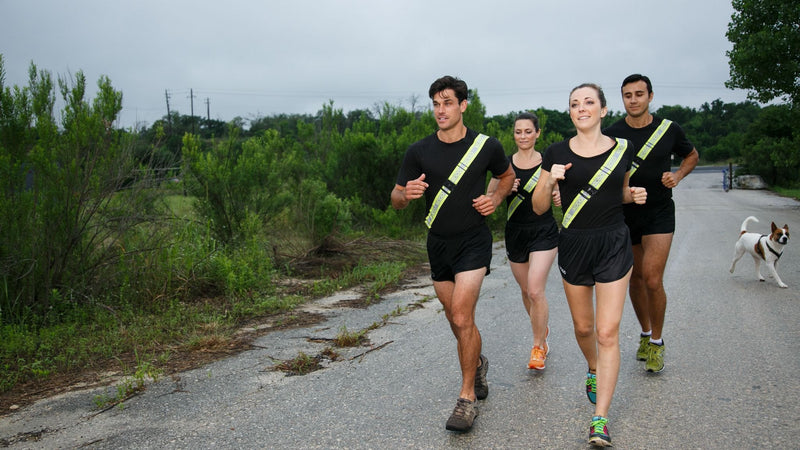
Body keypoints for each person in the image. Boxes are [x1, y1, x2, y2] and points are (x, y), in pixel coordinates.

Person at [391, 75, 515, 432]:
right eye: (435, 103)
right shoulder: (419, 151)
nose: (440, 110)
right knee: (454, 317)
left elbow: (506, 176)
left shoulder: (486, 146)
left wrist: (494, 198)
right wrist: (406, 194)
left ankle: (466, 399)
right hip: (439, 244)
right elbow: (396, 198)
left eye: (447, 102)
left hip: (474, 241)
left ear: (463, 105)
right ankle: (477, 365)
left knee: (462, 315)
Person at [532, 83, 647, 447]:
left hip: (614, 241)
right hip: (574, 243)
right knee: (584, 329)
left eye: (588, 102)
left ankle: (600, 419)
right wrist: (551, 178)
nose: (581, 108)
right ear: (570, 112)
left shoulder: (623, 148)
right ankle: (593, 367)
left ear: (602, 109)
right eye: (574, 104)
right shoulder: (555, 151)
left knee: (606, 332)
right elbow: (538, 207)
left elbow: (620, 190)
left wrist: (634, 194)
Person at [604, 74, 699, 373]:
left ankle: (657, 343)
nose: (633, 100)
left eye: (639, 94)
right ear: (622, 99)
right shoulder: (612, 134)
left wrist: (679, 175)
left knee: (653, 278)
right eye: (628, 95)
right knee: (635, 279)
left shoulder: (669, 129)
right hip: (626, 214)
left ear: (650, 96)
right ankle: (645, 334)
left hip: (659, 212)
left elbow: (692, 155)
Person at [486, 112, 559, 371]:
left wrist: (557, 194)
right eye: (518, 132)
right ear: (513, 134)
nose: (523, 136)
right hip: (515, 232)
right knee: (527, 292)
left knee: (536, 289)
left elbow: (560, 191)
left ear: (537, 133)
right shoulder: (504, 165)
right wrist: (506, 189)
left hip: (544, 231)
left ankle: (538, 346)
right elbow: (489, 198)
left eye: (528, 131)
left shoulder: (548, 162)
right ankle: (542, 326)